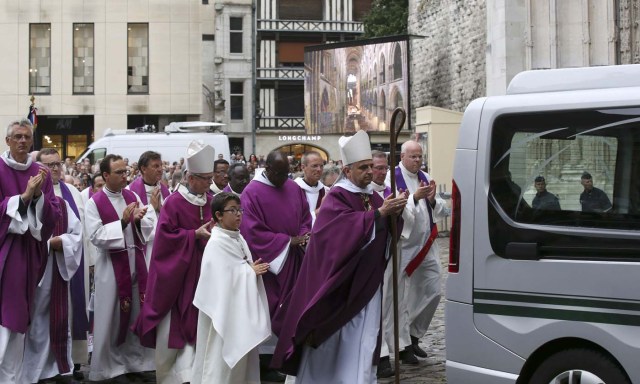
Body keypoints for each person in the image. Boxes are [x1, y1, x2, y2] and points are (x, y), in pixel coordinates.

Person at [272, 130, 407, 383]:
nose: (369, 172)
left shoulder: (374, 196)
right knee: (337, 343)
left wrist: (394, 214)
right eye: (363, 167)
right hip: (339, 288)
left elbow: (385, 233)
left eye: (371, 167)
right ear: (347, 171)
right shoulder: (337, 196)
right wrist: (377, 215)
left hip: (366, 285)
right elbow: (334, 237)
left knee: (364, 340)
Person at [133, 141, 215, 383]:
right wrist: (193, 235)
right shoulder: (175, 202)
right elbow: (164, 238)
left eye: (211, 178)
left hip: (204, 273)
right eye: (205, 178)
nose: (209, 183)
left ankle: (198, 374)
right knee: (174, 327)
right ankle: (172, 376)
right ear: (190, 177)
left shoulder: (211, 200)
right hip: (178, 276)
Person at [240, 151, 313, 382]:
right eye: (279, 173)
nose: (283, 178)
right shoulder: (251, 192)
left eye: (286, 173)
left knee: (299, 307)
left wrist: (302, 236)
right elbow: (251, 230)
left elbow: (305, 218)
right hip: (271, 264)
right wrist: (285, 242)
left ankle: (293, 355)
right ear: (267, 168)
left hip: (295, 259)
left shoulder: (293, 187)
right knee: (272, 311)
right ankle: (268, 359)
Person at [84, 154, 156, 383]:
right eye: (119, 172)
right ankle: (111, 368)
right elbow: (95, 236)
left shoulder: (132, 195)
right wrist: (123, 222)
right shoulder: (94, 202)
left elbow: (148, 224)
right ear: (105, 175)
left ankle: (137, 363)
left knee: (136, 312)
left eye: (126, 171)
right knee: (112, 318)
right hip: (111, 268)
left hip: (136, 261)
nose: (125, 176)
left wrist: (139, 219)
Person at [0, 119, 61, 382]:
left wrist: (37, 198)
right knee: (6, 320)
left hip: (27, 255)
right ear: (8, 141)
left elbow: (53, 214)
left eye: (26, 137)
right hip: (4, 252)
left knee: (17, 322)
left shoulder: (41, 173)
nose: (23, 141)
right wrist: (23, 198)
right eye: (17, 137)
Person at [21, 148, 87, 383]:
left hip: (58, 269)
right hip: (30, 271)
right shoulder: (26, 195)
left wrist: (62, 243)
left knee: (57, 318)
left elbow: (78, 234)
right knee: (34, 322)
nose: (55, 169)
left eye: (58, 164)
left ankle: (58, 365)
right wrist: (45, 245)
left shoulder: (68, 197)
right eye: (49, 165)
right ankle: (29, 370)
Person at [191, 193, 271, 384]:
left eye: (239, 210)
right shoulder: (217, 243)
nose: (238, 215)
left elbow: (237, 268)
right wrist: (249, 272)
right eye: (232, 210)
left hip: (238, 310)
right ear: (218, 215)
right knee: (220, 360)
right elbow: (219, 282)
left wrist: (248, 272)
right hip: (222, 313)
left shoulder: (238, 238)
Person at [386, 140, 448, 364]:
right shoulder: (391, 177)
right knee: (400, 297)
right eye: (413, 156)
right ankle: (403, 346)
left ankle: (413, 334)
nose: (417, 160)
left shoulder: (424, 176)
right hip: (404, 245)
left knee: (433, 289)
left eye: (420, 156)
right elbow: (394, 207)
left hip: (427, 243)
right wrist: (414, 198)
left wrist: (432, 200)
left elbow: (443, 208)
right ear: (402, 157)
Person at [127, 151, 171, 267]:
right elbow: (132, 224)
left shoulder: (166, 191)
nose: (160, 169)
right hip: (142, 248)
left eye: (161, 165)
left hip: (164, 246)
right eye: (156, 166)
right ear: (143, 169)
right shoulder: (130, 192)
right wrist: (151, 208)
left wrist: (161, 210)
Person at [294, 151, 326, 225]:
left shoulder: (325, 190)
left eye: (321, 166)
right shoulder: (293, 189)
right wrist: (317, 212)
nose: (319, 169)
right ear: (303, 167)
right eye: (315, 166)